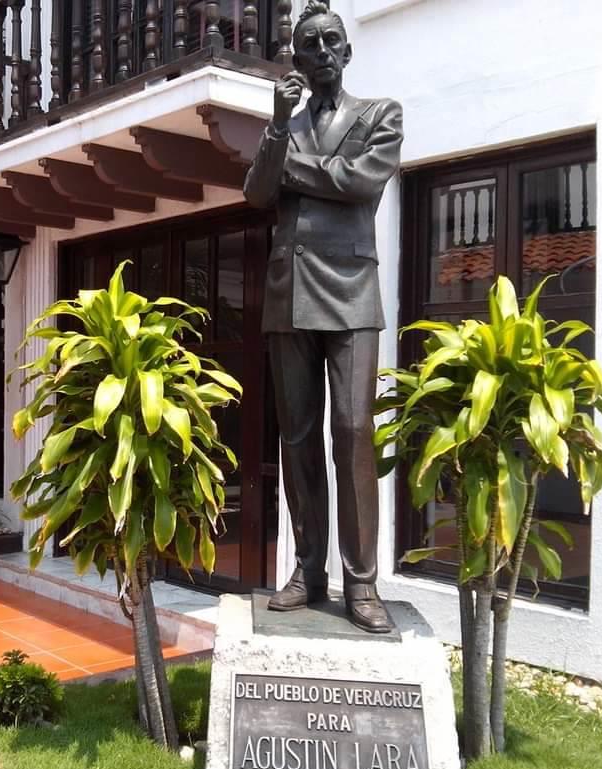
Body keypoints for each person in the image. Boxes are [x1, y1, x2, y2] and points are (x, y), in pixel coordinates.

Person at [243, 0, 403, 632]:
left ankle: (361, 582)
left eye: (332, 40)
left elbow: (361, 181)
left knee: (355, 431)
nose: (323, 52)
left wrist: (293, 170)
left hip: (352, 292)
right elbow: (256, 192)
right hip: (289, 295)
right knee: (299, 438)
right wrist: (279, 131)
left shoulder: (379, 114)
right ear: (298, 58)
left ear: (347, 48)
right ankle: (308, 571)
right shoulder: (284, 124)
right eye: (310, 44)